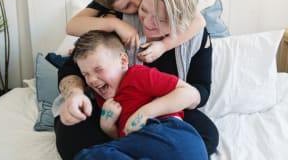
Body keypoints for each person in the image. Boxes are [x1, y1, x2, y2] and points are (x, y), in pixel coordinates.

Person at [54, 0, 219, 159]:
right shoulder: (118, 16)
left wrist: (157, 107)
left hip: (165, 109)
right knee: (70, 134)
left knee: (206, 136)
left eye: (162, 20)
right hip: (111, 107)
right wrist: (75, 94)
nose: (148, 23)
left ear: (181, 19)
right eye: (144, 10)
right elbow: (73, 66)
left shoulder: (194, 36)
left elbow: (201, 89)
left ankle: (118, 150)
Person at [72, 30, 208, 160]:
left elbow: (189, 93)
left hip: (173, 135)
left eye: (98, 69)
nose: (92, 80)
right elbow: (127, 141)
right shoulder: (103, 98)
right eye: (86, 74)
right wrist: (108, 128)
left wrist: (144, 113)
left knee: (88, 156)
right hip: (148, 147)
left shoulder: (138, 76)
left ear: (123, 61)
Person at [66, 0, 206, 63]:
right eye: (127, 6)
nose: (137, 2)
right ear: (110, 7)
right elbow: (71, 26)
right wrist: (115, 24)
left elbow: (199, 21)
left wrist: (164, 46)